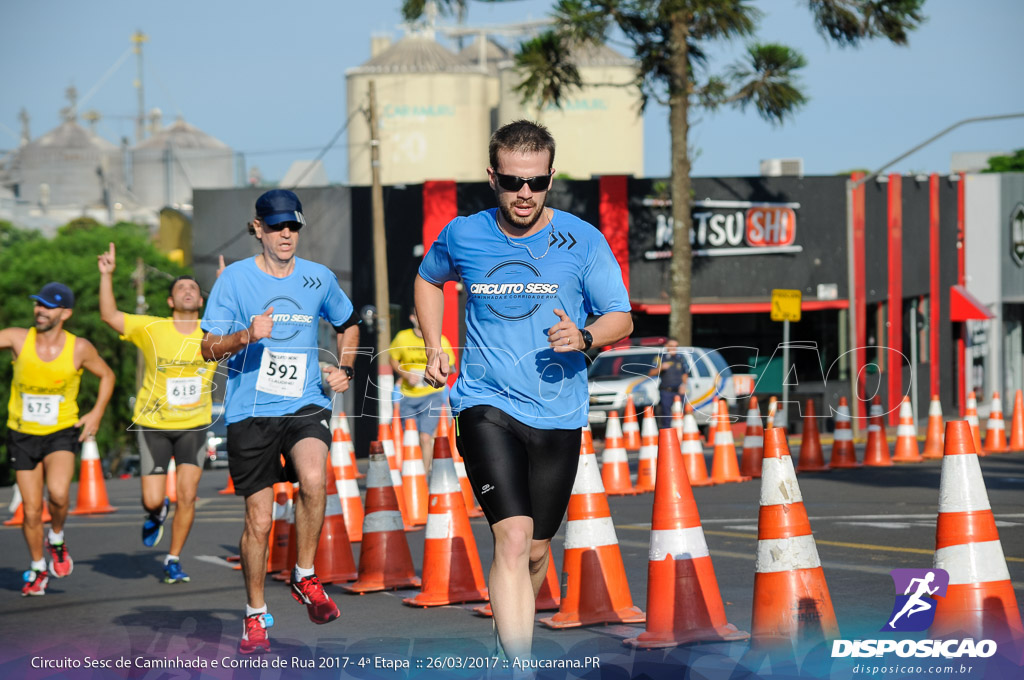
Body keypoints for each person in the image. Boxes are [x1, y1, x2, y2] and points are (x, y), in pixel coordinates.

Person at [415, 120, 633, 661]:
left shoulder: (583, 239)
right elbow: (427, 278)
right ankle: (520, 668)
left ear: (551, 177)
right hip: (484, 404)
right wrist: (433, 344)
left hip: (558, 412)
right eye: (513, 182)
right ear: (493, 178)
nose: (525, 194)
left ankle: (507, 646)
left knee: (537, 549)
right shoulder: (463, 233)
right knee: (511, 538)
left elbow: (621, 318)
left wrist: (583, 336)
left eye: (535, 182)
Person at [200, 189, 360, 654]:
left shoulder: (318, 278)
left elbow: (348, 324)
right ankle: (254, 613)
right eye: (275, 227)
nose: (285, 234)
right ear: (258, 229)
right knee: (260, 521)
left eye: (292, 226)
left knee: (315, 478)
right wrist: (249, 334)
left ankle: (304, 574)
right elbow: (207, 348)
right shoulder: (233, 282)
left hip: (305, 402)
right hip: (251, 412)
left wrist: (343, 367)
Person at [97, 243, 218, 584]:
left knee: (189, 494)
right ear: (170, 301)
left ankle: (173, 559)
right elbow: (109, 316)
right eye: (181, 288)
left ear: (201, 300)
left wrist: (226, 285)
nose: (188, 291)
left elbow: (248, 331)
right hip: (153, 425)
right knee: (152, 498)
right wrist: (106, 275)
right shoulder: (152, 328)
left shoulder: (212, 335)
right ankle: (156, 511)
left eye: (193, 288)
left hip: (194, 425)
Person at [1, 282, 115, 596]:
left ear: (65, 313)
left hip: (60, 432)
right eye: (38, 304)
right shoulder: (17, 338)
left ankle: (57, 537)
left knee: (60, 495)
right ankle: (38, 569)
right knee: (32, 508)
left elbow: (107, 375)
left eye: (48, 306)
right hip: (22, 433)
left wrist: (96, 414)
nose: (40, 311)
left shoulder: (78, 347)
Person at [388, 310, 455, 475]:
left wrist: (436, 372)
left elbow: (452, 367)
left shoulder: (440, 340)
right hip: (408, 396)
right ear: (413, 319)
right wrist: (404, 374)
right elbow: (392, 359)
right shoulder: (402, 337)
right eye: (420, 316)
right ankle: (412, 473)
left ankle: (423, 477)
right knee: (411, 438)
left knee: (425, 437)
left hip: (431, 396)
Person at [652, 338, 688, 418]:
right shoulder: (660, 358)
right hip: (666, 391)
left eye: (676, 346)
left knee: (681, 414)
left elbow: (685, 374)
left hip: (679, 391)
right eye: (671, 346)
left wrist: (684, 385)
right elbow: (651, 372)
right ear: (666, 346)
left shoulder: (680, 358)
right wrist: (661, 368)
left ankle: (680, 430)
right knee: (666, 415)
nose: (674, 348)